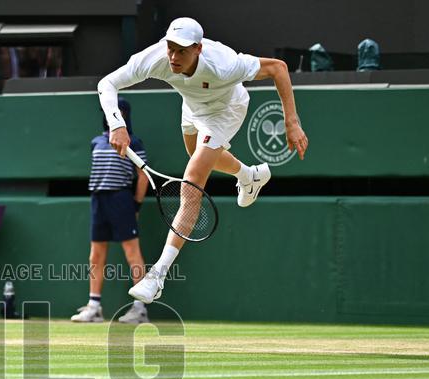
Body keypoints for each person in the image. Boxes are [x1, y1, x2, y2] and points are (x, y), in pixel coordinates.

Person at [98, 17, 309, 304]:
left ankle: (157, 275)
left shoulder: (225, 64)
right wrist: (117, 124)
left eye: (181, 51)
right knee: (194, 154)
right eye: (170, 48)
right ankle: (249, 176)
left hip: (226, 110)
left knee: (192, 180)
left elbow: (278, 68)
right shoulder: (157, 57)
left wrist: (291, 122)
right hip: (192, 106)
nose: (173, 56)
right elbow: (107, 83)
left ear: (198, 48)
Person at [71, 98, 152, 324]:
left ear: (124, 115)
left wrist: (136, 204)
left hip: (121, 199)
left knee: (132, 253)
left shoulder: (134, 142)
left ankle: (140, 309)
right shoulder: (96, 141)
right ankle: (94, 307)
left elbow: (143, 174)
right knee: (95, 255)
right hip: (98, 199)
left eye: (117, 112)